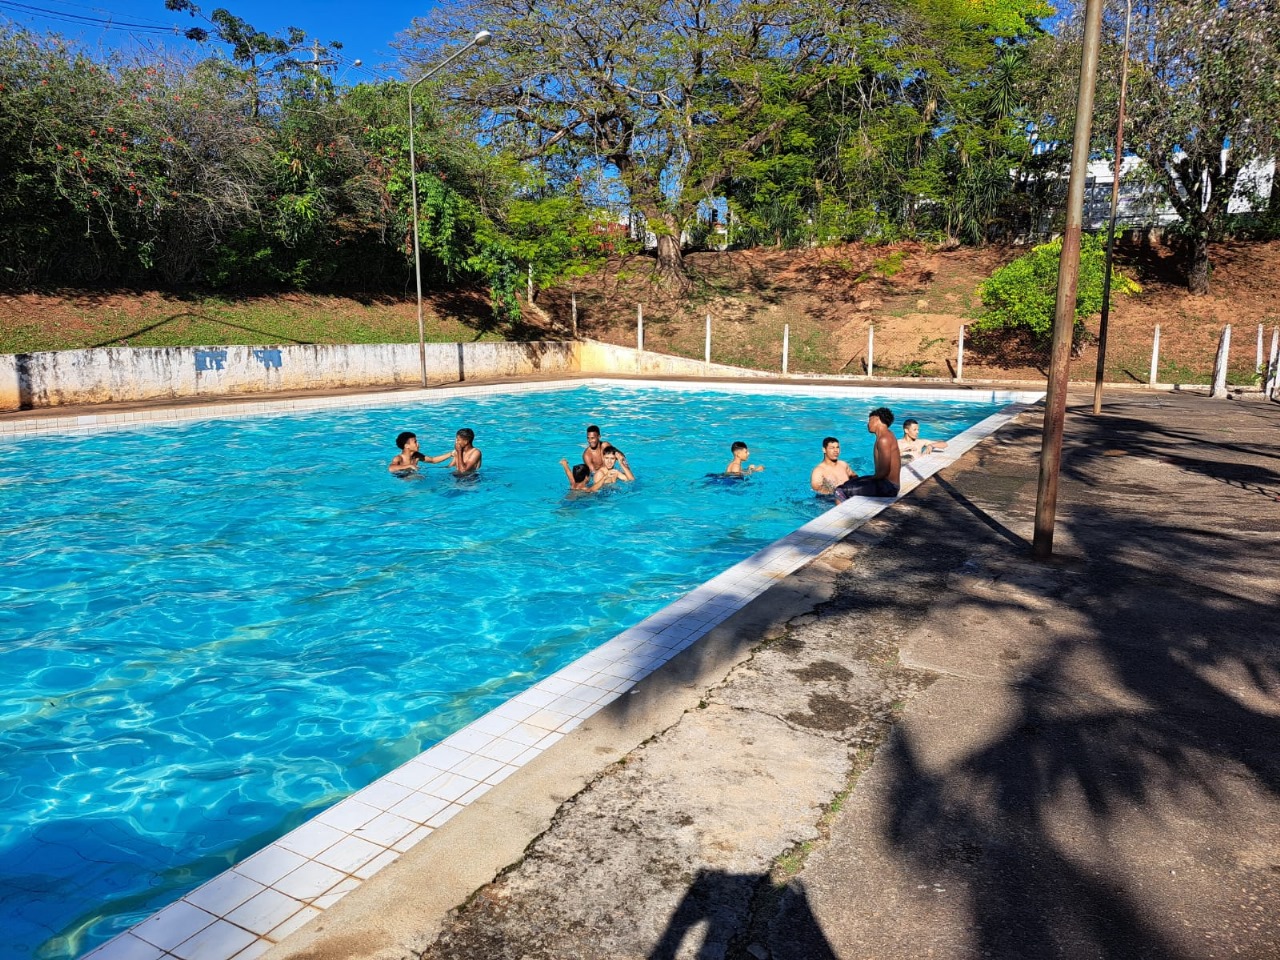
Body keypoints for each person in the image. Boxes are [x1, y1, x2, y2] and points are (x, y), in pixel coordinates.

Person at [831, 407, 901, 501]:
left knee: (840, 491)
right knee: (848, 484)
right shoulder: (887, 435)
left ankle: (845, 514)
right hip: (886, 484)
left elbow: (884, 471)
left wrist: (868, 480)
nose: (868, 424)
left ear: (876, 419)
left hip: (889, 487)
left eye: (869, 420)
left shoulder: (884, 439)